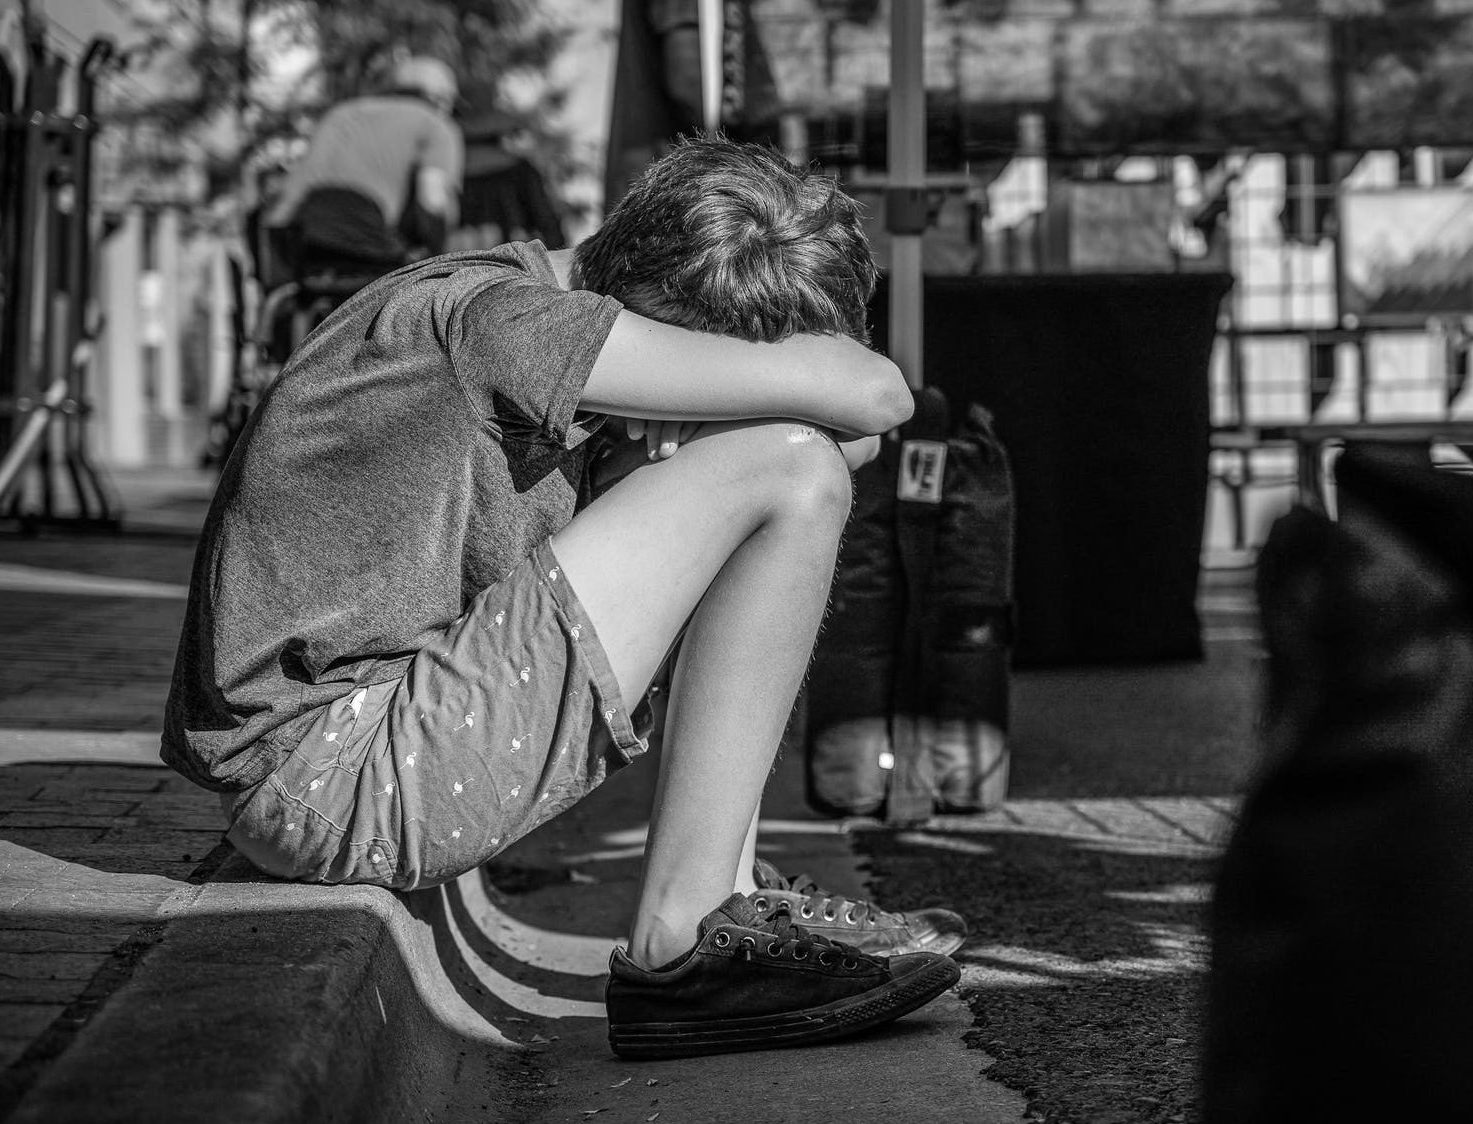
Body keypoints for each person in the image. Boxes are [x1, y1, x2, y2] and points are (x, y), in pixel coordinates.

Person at [162, 136, 966, 1058]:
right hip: (334, 778)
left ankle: (726, 898)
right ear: (670, 332)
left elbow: (852, 433)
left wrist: (716, 416)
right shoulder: (508, 324)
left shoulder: (509, 296)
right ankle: (687, 936)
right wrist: (749, 423)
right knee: (789, 472)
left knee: (790, 466)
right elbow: (877, 396)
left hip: (337, 757)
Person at [265, 55, 465, 284]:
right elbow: (432, 201)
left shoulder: (342, 112)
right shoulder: (436, 125)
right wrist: (440, 257)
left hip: (289, 230)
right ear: (441, 99)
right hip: (359, 228)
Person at [448, 109, 567, 253]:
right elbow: (543, 214)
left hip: (463, 204)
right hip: (462, 200)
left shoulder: (521, 170)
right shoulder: (522, 169)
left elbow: (543, 213)